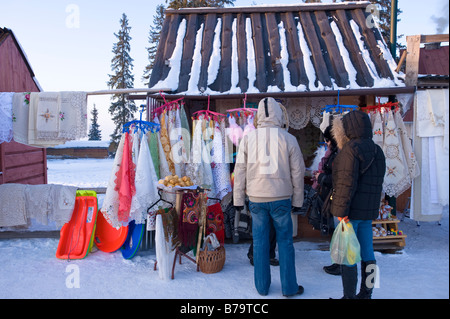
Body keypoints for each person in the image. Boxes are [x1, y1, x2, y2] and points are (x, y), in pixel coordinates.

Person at [233, 97, 305, 297]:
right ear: (278, 114)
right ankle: (289, 288)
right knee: (285, 242)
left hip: (256, 198)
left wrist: (238, 200)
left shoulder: (248, 139)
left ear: (259, 116)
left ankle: (262, 287)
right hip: (281, 198)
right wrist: (298, 201)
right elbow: (298, 171)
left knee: (260, 242)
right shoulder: (288, 138)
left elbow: (239, 171)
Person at [330, 110, 386, 299]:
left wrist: (341, 212)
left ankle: (348, 297)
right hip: (367, 212)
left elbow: (346, 184)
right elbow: (377, 183)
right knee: (369, 254)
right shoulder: (377, 150)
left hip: (350, 213)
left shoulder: (350, 150)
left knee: (349, 257)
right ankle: (367, 293)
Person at [313, 125, 340, 275]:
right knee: (338, 232)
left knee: (339, 233)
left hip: (338, 198)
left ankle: (341, 265)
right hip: (336, 197)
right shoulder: (336, 153)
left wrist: (321, 177)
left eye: (327, 140)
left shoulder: (337, 154)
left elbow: (336, 178)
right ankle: (338, 262)